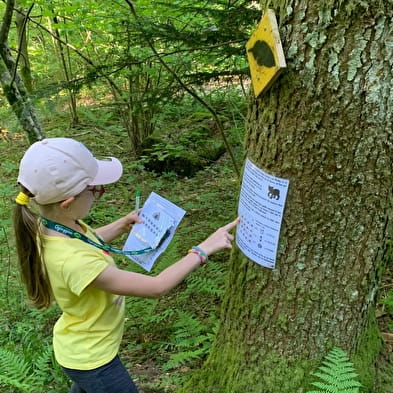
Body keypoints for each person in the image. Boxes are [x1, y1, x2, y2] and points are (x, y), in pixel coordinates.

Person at [13, 137, 239, 393]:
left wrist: (121, 225)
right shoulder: (75, 263)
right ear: (68, 202)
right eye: (95, 190)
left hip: (79, 348)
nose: (98, 194)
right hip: (94, 360)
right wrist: (204, 249)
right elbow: (157, 287)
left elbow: (88, 241)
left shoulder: (53, 227)